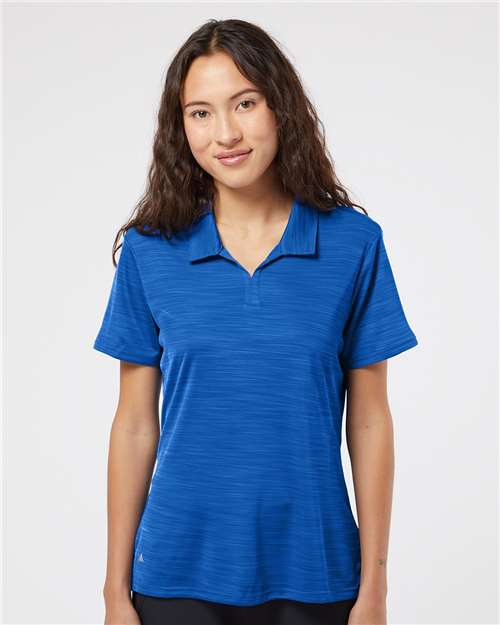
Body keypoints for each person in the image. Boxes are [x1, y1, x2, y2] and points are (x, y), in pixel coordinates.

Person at [94, 18, 418, 625]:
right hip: (176, 574)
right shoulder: (149, 251)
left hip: (317, 572)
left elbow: (371, 419)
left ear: (281, 107)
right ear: (180, 127)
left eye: (245, 103)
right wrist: (115, 591)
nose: (226, 133)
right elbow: (134, 424)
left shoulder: (353, 243)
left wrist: (375, 588)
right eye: (200, 113)